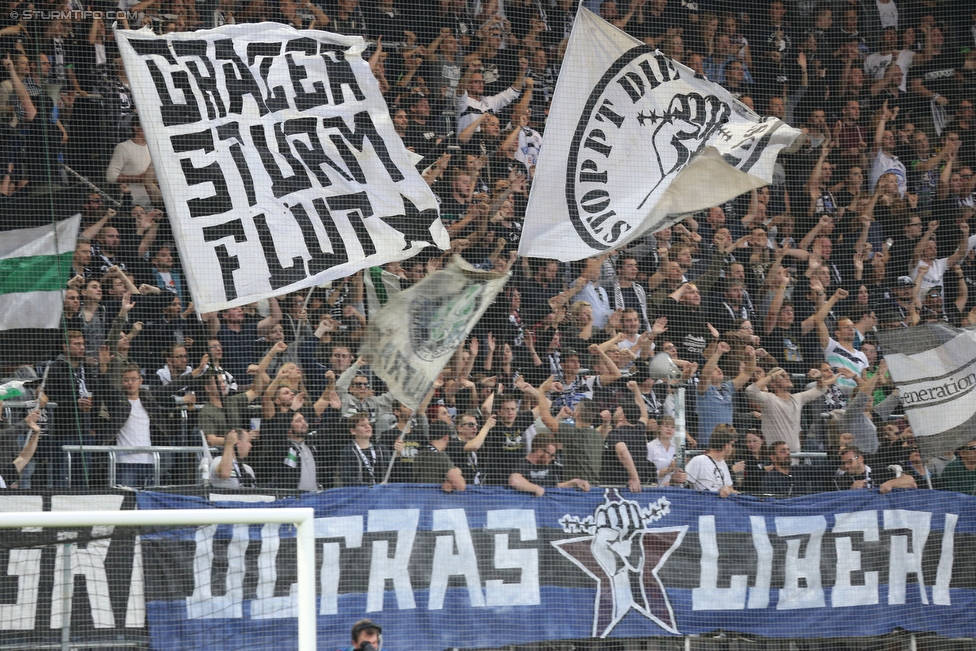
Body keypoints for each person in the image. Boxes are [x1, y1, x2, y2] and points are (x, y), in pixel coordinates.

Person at [745, 365, 837, 452]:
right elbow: (750, 391)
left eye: (787, 375)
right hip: (775, 456)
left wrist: (819, 377)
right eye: (782, 376)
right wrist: (772, 376)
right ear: (773, 384)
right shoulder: (769, 399)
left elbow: (821, 389)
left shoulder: (798, 398)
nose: (787, 377)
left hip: (795, 456)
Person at [508, 432, 590, 496]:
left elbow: (554, 487)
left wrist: (573, 483)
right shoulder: (522, 464)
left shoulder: (549, 464)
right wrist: (535, 488)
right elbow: (514, 480)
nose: (553, 458)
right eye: (551, 455)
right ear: (539, 451)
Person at [683, 425, 739, 498]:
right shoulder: (699, 461)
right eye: (732, 444)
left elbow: (729, 487)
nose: (732, 448)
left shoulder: (723, 463)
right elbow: (683, 484)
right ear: (726, 446)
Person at [412, 422, 465, 492]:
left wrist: (448, 481)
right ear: (446, 437)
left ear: (429, 436)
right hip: (436, 499)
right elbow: (461, 486)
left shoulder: (419, 454)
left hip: (419, 498)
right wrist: (458, 471)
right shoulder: (441, 456)